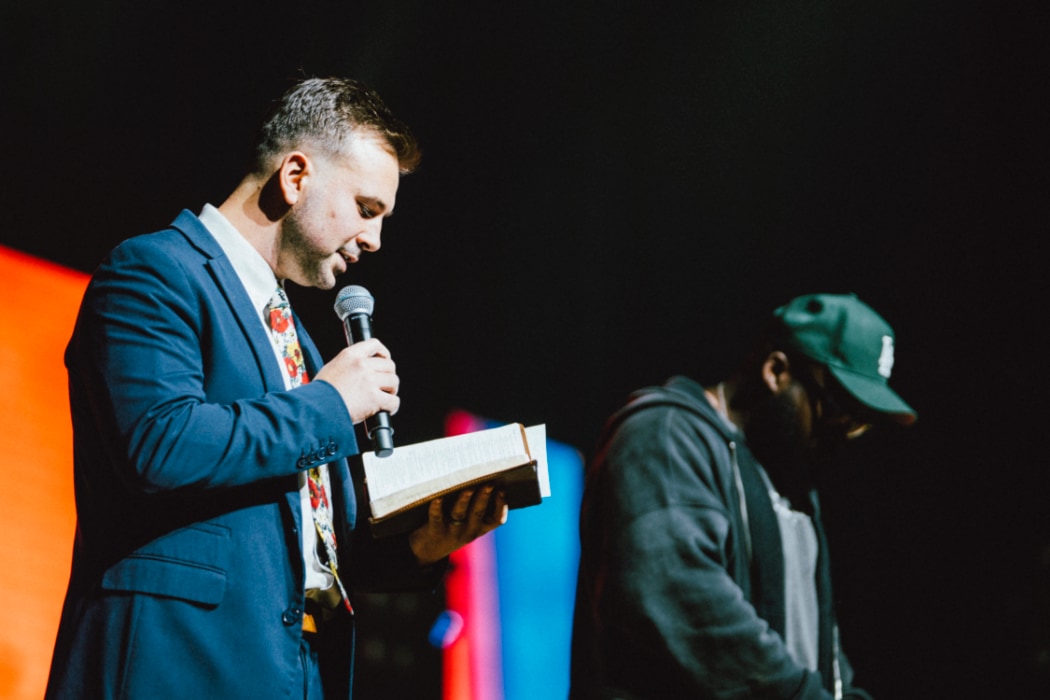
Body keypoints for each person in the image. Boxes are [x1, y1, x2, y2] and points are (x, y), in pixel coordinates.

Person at [45, 77, 507, 699]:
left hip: (289, 673)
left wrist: (421, 545)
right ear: (295, 176)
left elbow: (298, 542)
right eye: (367, 209)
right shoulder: (156, 271)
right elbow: (159, 444)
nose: (374, 239)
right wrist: (330, 404)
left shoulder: (295, 335)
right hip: (173, 666)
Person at [570, 293, 916, 699]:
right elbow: (688, 607)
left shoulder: (793, 487)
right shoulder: (664, 436)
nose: (845, 436)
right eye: (839, 411)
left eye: (863, 424)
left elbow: (818, 648)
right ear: (776, 371)